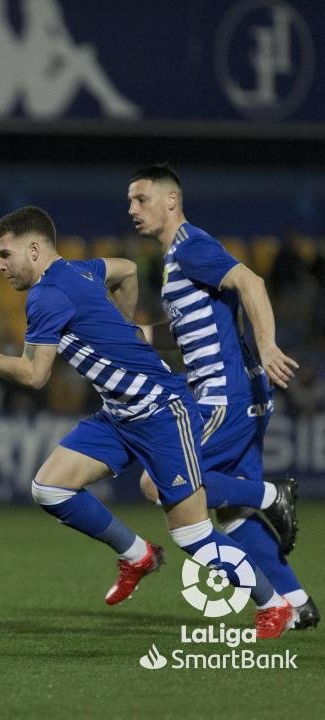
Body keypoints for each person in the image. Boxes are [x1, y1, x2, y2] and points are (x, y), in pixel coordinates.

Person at [0, 205, 294, 638]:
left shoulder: (46, 295)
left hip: (163, 412)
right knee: (49, 487)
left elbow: (35, 376)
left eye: (4, 255)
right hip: (119, 415)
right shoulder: (83, 270)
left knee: (193, 534)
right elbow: (126, 270)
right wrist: (123, 326)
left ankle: (274, 604)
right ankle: (137, 555)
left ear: (33, 250)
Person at [128, 164, 317, 629]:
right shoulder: (177, 260)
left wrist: (269, 344)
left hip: (222, 399)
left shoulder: (192, 247)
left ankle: (271, 494)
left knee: (159, 483)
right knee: (233, 517)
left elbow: (251, 282)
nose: (132, 209)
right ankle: (296, 603)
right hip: (242, 398)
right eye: (130, 202)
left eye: (141, 199)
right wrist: (137, 337)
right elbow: (186, 328)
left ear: (171, 200)